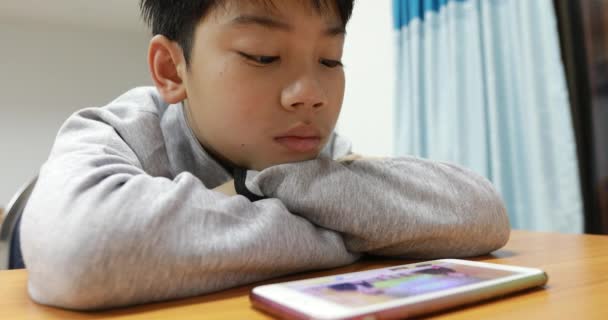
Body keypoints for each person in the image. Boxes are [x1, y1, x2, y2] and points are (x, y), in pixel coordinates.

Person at [20, 0, 510, 310]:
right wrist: (351, 234)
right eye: (263, 56)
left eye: (330, 59)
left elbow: (483, 212)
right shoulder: (116, 131)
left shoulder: (312, 157)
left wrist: (287, 189)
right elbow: (81, 253)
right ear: (171, 69)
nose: (310, 94)